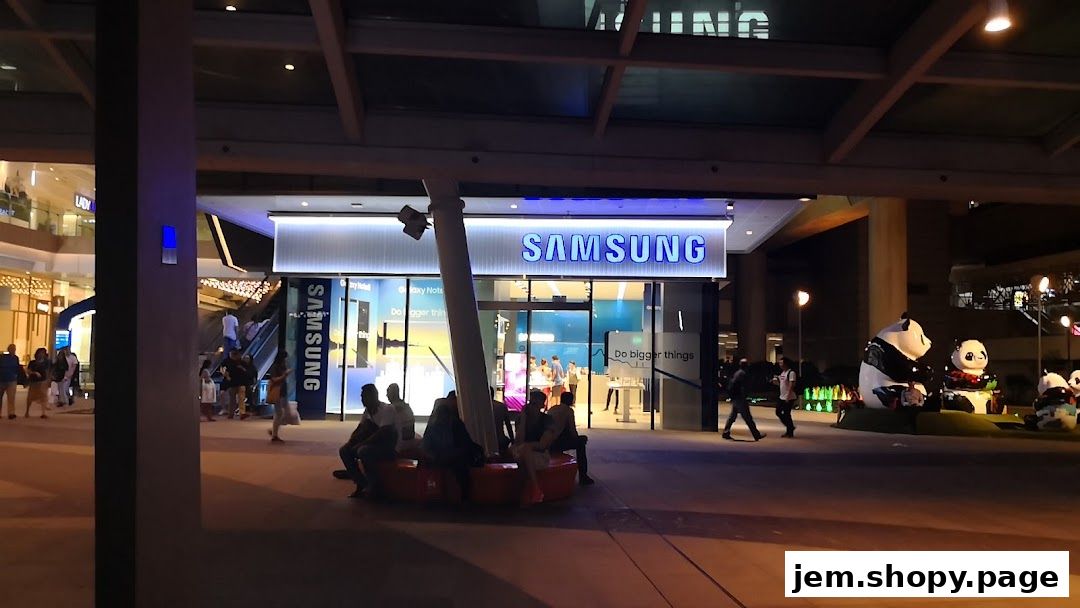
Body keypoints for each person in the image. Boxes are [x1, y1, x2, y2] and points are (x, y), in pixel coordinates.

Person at [341, 384, 397, 499]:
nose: (362, 399)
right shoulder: (367, 411)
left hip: (390, 447)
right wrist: (351, 442)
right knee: (344, 450)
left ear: (374, 396)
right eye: (361, 397)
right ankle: (362, 484)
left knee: (363, 451)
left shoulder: (387, 409)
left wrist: (361, 444)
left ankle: (376, 487)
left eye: (364, 396)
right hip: (374, 444)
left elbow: (382, 433)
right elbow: (360, 428)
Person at [422, 394, 482, 502]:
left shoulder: (432, 426)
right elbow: (465, 444)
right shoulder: (456, 424)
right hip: (453, 457)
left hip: (439, 457)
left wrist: (433, 456)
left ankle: (433, 495)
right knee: (461, 469)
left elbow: (426, 446)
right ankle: (464, 497)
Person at [511, 390, 554, 505]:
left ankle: (528, 492)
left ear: (542, 406)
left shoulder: (547, 420)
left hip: (540, 455)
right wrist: (523, 419)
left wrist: (528, 446)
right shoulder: (521, 419)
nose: (531, 407)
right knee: (522, 452)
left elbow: (543, 445)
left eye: (535, 404)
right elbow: (518, 441)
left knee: (523, 456)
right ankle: (535, 490)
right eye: (530, 403)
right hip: (521, 452)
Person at [547, 391, 594, 486]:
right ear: (571, 400)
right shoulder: (568, 411)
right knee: (581, 443)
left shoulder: (552, 408)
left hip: (548, 441)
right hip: (556, 442)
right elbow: (572, 430)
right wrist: (579, 439)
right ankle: (583, 476)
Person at [723, 358, 765, 441]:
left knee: (732, 416)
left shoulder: (737, 373)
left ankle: (726, 432)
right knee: (747, 417)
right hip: (740, 398)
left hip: (735, 398)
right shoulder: (743, 374)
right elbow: (743, 387)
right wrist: (744, 396)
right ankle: (756, 434)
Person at [387, 383, 420, 457]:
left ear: (392, 394)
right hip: (410, 439)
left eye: (387, 393)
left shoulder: (392, 408)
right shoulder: (407, 406)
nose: (386, 395)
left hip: (401, 444)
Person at [266, 351, 291, 441]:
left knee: (284, 413)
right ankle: (274, 433)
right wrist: (285, 375)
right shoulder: (276, 367)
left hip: (282, 391)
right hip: (278, 391)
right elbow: (274, 379)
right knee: (279, 413)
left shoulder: (282, 366)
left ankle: (274, 431)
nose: (286, 360)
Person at [221, 349, 251, 420]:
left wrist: (242, 369)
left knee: (241, 398)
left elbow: (247, 371)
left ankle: (241, 413)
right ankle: (231, 413)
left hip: (241, 382)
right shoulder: (227, 362)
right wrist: (226, 375)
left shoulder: (242, 362)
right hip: (233, 383)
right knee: (233, 399)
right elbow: (223, 369)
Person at [772, 357, 797, 438]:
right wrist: (775, 382)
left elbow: (791, 385)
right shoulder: (783, 373)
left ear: (786, 364)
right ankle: (790, 427)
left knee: (787, 414)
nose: (780, 365)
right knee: (778, 412)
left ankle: (790, 432)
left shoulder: (791, 373)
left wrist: (787, 396)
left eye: (781, 363)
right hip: (782, 396)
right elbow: (781, 384)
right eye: (779, 363)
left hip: (789, 397)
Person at [25, 347, 50, 418]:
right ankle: (27, 411)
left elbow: (47, 371)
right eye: (40, 353)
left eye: (43, 353)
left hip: (43, 381)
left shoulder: (46, 362)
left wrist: (48, 380)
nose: (41, 355)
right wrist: (34, 373)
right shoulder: (32, 362)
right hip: (34, 382)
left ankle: (43, 413)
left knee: (44, 397)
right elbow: (28, 371)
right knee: (30, 397)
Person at [491, 386, 514, 455]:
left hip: (486, 439)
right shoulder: (501, 406)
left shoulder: (479, 408)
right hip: (500, 439)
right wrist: (512, 439)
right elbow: (508, 425)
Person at [0, 344, 20, 420]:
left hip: (12, 380)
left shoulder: (16, 358)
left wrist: (16, 375)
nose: (13, 350)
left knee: (11, 398)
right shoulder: (2, 357)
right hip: (1, 379)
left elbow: (17, 367)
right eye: (12, 349)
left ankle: (11, 413)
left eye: (14, 349)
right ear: (8, 349)